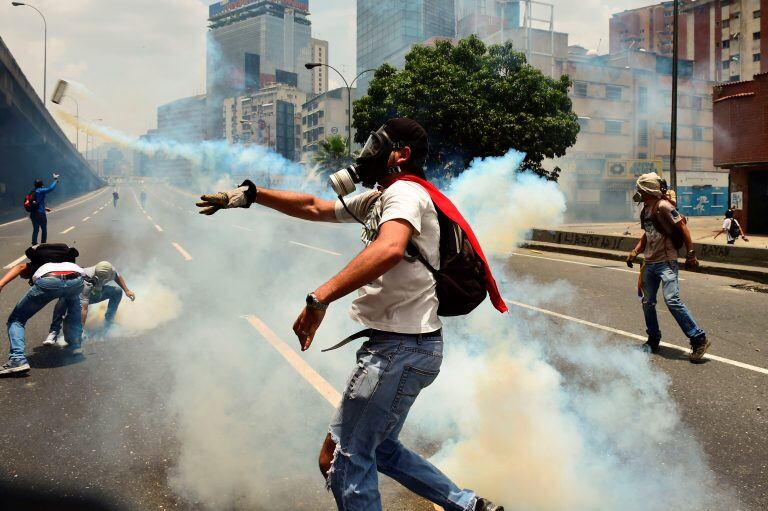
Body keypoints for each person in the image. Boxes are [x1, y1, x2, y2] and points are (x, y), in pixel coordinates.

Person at [197, 118, 504, 511]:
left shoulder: (405, 194)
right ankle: (469, 506)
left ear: (401, 154)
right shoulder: (382, 198)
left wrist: (319, 297)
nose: (367, 152)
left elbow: (391, 247)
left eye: (378, 143)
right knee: (382, 450)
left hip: (398, 351)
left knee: (344, 460)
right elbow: (315, 206)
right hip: (412, 349)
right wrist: (252, 194)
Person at [626, 173, 710, 363]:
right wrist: (635, 251)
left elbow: (683, 227)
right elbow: (648, 234)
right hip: (650, 263)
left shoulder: (664, 206)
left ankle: (698, 338)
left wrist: (691, 254)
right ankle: (653, 339)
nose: (637, 192)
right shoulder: (646, 209)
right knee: (647, 302)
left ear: (647, 190)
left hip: (667, 262)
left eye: (640, 188)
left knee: (672, 300)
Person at [0, 244, 84, 375]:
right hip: (76, 280)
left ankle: (17, 359)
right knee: (74, 308)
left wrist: (1, 284)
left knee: (17, 319)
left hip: (49, 281)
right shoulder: (68, 263)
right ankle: (75, 344)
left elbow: (20, 267)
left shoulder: (39, 263)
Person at [44, 261, 135, 345]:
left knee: (117, 291)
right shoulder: (87, 280)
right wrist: (81, 328)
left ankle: (109, 321)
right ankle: (53, 332)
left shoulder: (110, 269)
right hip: (77, 296)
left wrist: (127, 290)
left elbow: (116, 276)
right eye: (100, 278)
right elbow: (84, 308)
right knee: (63, 300)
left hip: (96, 293)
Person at [28, 173, 59, 245]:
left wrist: (45, 208)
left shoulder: (32, 192)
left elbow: (37, 203)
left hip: (33, 214)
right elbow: (50, 188)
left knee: (36, 229)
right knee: (44, 229)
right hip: (40, 214)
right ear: (41, 185)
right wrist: (55, 180)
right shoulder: (41, 190)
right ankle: (43, 244)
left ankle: (34, 244)